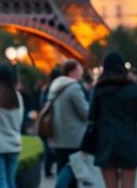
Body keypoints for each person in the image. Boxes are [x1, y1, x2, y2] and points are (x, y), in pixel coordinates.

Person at [86, 51, 137, 188]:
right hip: (129, 140)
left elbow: (91, 115)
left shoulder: (99, 88)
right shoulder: (132, 88)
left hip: (106, 141)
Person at [48, 59, 91, 188]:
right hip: (74, 137)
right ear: (72, 71)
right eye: (79, 70)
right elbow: (85, 112)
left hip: (58, 135)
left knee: (63, 167)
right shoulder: (74, 87)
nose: (81, 74)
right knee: (72, 169)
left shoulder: (55, 86)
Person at [39, 67, 62, 177]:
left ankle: (48, 168)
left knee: (48, 145)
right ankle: (51, 167)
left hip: (46, 121)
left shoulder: (46, 88)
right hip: (54, 120)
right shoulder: (57, 88)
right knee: (54, 147)